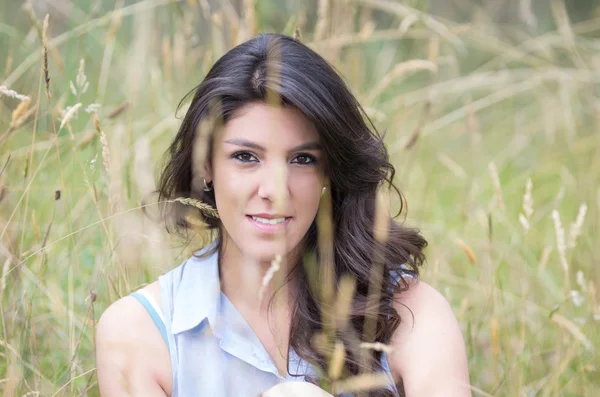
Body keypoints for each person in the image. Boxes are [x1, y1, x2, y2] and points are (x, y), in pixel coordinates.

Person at [95, 33, 471, 397]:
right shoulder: (138, 332)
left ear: (329, 173)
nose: (274, 190)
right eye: (246, 157)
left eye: (302, 159)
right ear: (206, 164)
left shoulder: (408, 312)